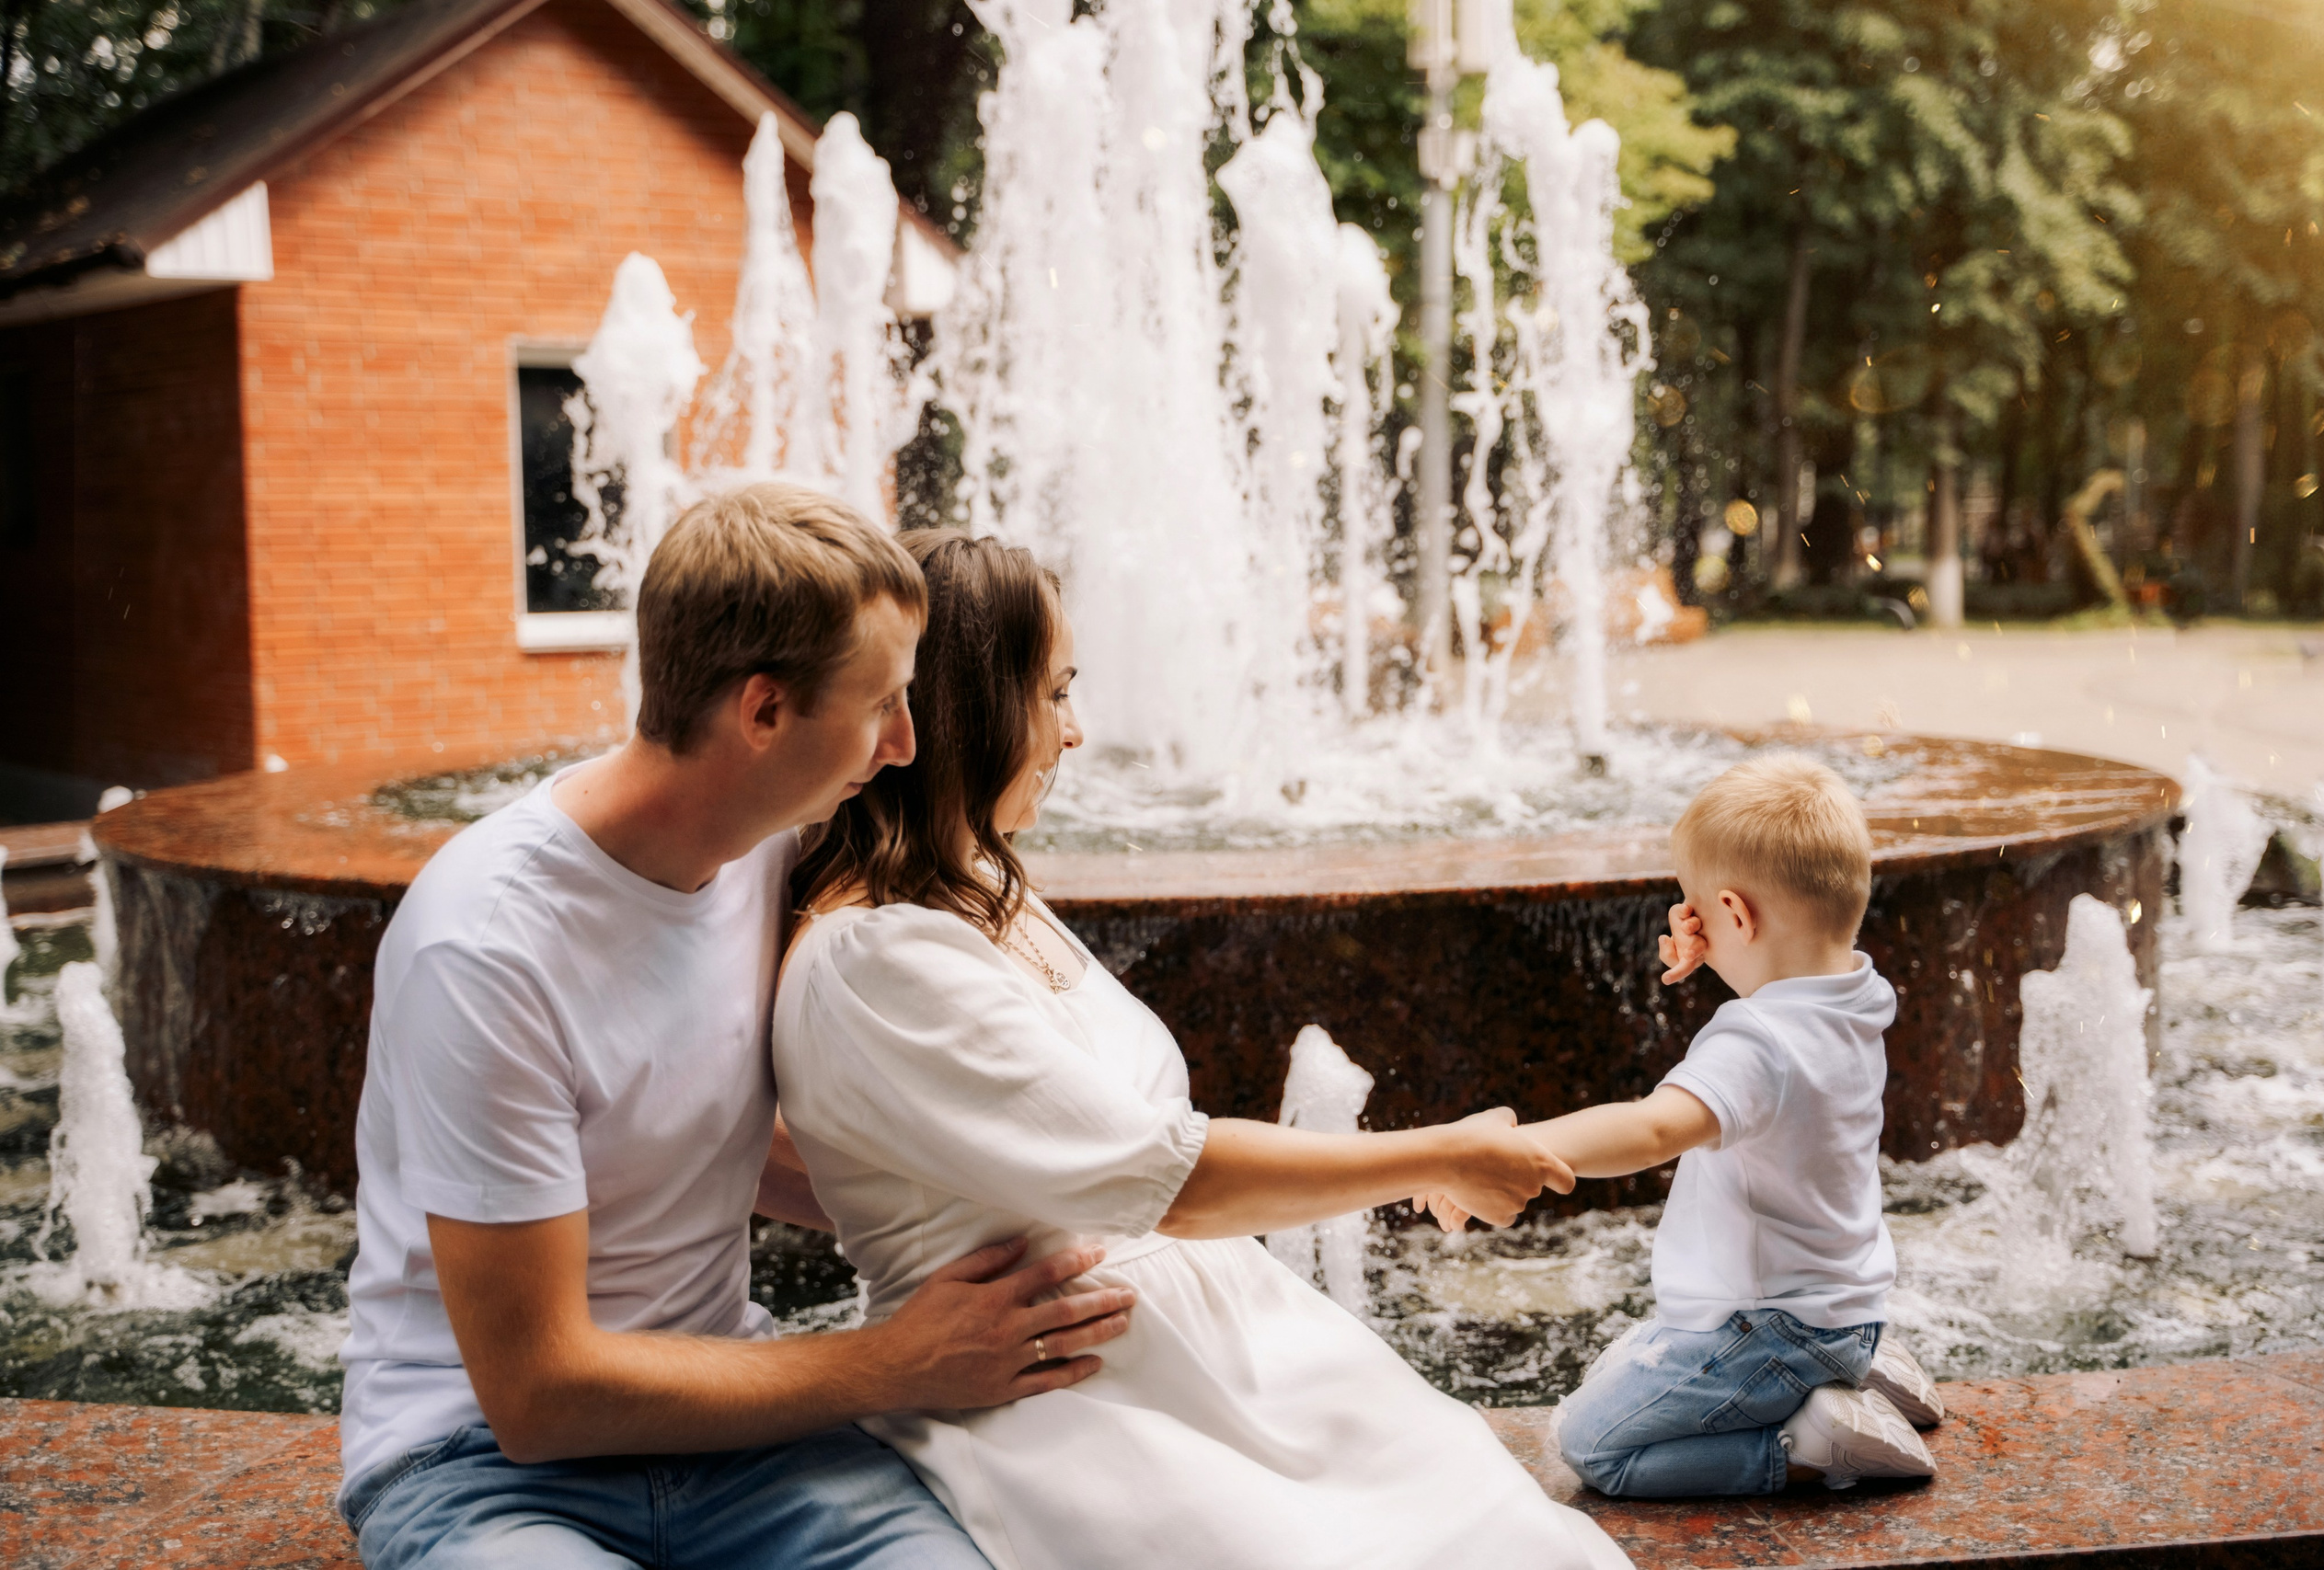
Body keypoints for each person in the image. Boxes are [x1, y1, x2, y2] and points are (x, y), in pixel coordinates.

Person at [771, 531, 1631, 1570]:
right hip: (1074, 1399)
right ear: (972, 705)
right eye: (1053, 693)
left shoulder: (985, 887)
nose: (1074, 732)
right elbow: (1166, 1177)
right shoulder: (876, 957)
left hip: (1230, 1357)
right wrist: (1439, 1154)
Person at [338, 486, 1138, 1569]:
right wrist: (899, 1362)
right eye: (880, 706)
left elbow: (683, 1127)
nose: (905, 744)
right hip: (482, 1468)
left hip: (744, 1440)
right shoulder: (485, 948)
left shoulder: (769, 850)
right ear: (762, 712)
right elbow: (538, 1396)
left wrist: (1006, 1223)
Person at [1503, 754, 1944, 1497]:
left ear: (1735, 914)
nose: (1688, 922)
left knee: (1591, 1443)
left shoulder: (1756, 1042)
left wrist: (1516, 1146)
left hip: (1771, 1330)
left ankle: (1807, 1444)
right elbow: (1782, 995)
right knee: (1620, 1361)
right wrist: (1726, 947)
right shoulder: (1858, 991)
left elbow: (1650, 1130)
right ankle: (1862, 1371)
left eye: (1695, 907)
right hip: (1842, 1312)